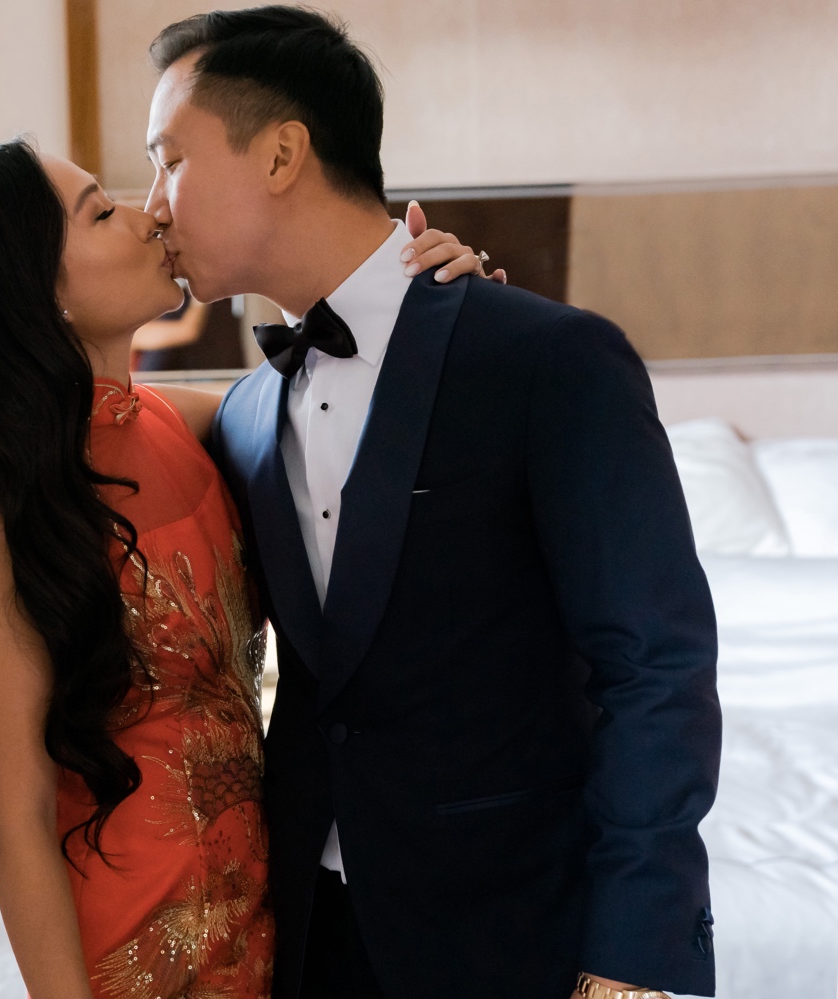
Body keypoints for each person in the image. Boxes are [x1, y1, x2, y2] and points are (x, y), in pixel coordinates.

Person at [141, 8, 721, 999]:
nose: (152, 204)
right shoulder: (241, 415)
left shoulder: (544, 360)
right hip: (306, 934)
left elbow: (656, 664)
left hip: (513, 926)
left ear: (281, 153)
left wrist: (632, 953)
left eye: (170, 161)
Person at [0, 139, 490, 999]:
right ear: (39, 295)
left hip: (266, 912)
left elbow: (337, 402)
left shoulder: (182, 420)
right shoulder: (3, 525)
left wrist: (442, 305)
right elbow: (18, 818)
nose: (150, 216)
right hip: (133, 947)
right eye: (102, 211)